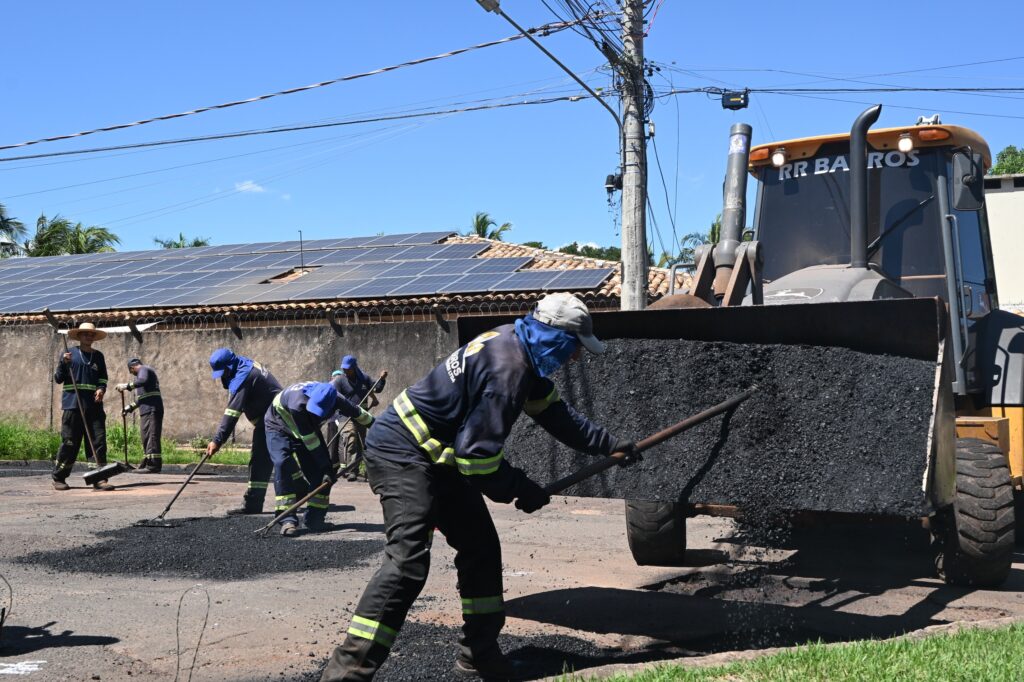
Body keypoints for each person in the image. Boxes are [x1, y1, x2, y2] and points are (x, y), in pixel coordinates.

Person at [320, 293, 638, 681]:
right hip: (401, 451)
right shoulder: (509, 370)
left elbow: (555, 414)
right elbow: (476, 459)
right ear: (553, 336)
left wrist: (607, 444)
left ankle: (480, 655)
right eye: (573, 348)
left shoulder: (517, 345)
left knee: (481, 549)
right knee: (407, 562)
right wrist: (520, 487)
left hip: (438, 458)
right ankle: (346, 673)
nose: (574, 358)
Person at [264, 381, 375, 536]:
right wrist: (325, 466)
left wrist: (381, 431)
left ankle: (314, 519)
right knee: (283, 464)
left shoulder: (338, 399)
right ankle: (287, 520)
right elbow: (310, 441)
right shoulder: (298, 405)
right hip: (279, 425)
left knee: (322, 475)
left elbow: (360, 414)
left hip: (306, 428)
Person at [206, 348, 283, 515]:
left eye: (224, 372)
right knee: (282, 458)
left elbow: (232, 413)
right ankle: (301, 490)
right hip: (274, 418)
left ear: (230, 366)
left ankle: (253, 504)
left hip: (273, 420)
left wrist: (217, 440)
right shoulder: (244, 364)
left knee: (260, 460)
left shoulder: (244, 377)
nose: (222, 377)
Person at [51, 322, 112, 491]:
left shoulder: (98, 356)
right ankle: (59, 477)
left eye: (91, 334)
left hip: (94, 407)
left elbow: (103, 378)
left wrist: (101, 389)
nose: (89, 337)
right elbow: (58, 378)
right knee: (70, 442)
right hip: (73, 405)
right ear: (79, 336)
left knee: (98, 442)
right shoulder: (69, 354)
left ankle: (99, 479)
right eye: (85, 334)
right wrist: (64, 363)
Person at [330, 356, 387, 481]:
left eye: (348, 369)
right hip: (345, 415)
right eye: (344, 368)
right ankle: (350, 470)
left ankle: (356, 469)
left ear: (354, 367)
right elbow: (333, 394)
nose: (346, 371)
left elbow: (377, 389)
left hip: (361, 414)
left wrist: (382, 379)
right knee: (350, 438)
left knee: (361, 442)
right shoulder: (339, 380)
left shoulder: (364, 379)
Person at [117, 359, 164, 473]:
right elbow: (142, 399)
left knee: (152, 436)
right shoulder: (143, 378)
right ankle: (147, 461)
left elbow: (143, 380)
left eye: (131, 371)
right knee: (146, 437)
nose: (132, 374)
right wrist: (130, 408)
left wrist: (126, 386)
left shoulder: (144, 370)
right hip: (146, 410)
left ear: (133, 367)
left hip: (152, 409)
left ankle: (154, 465)